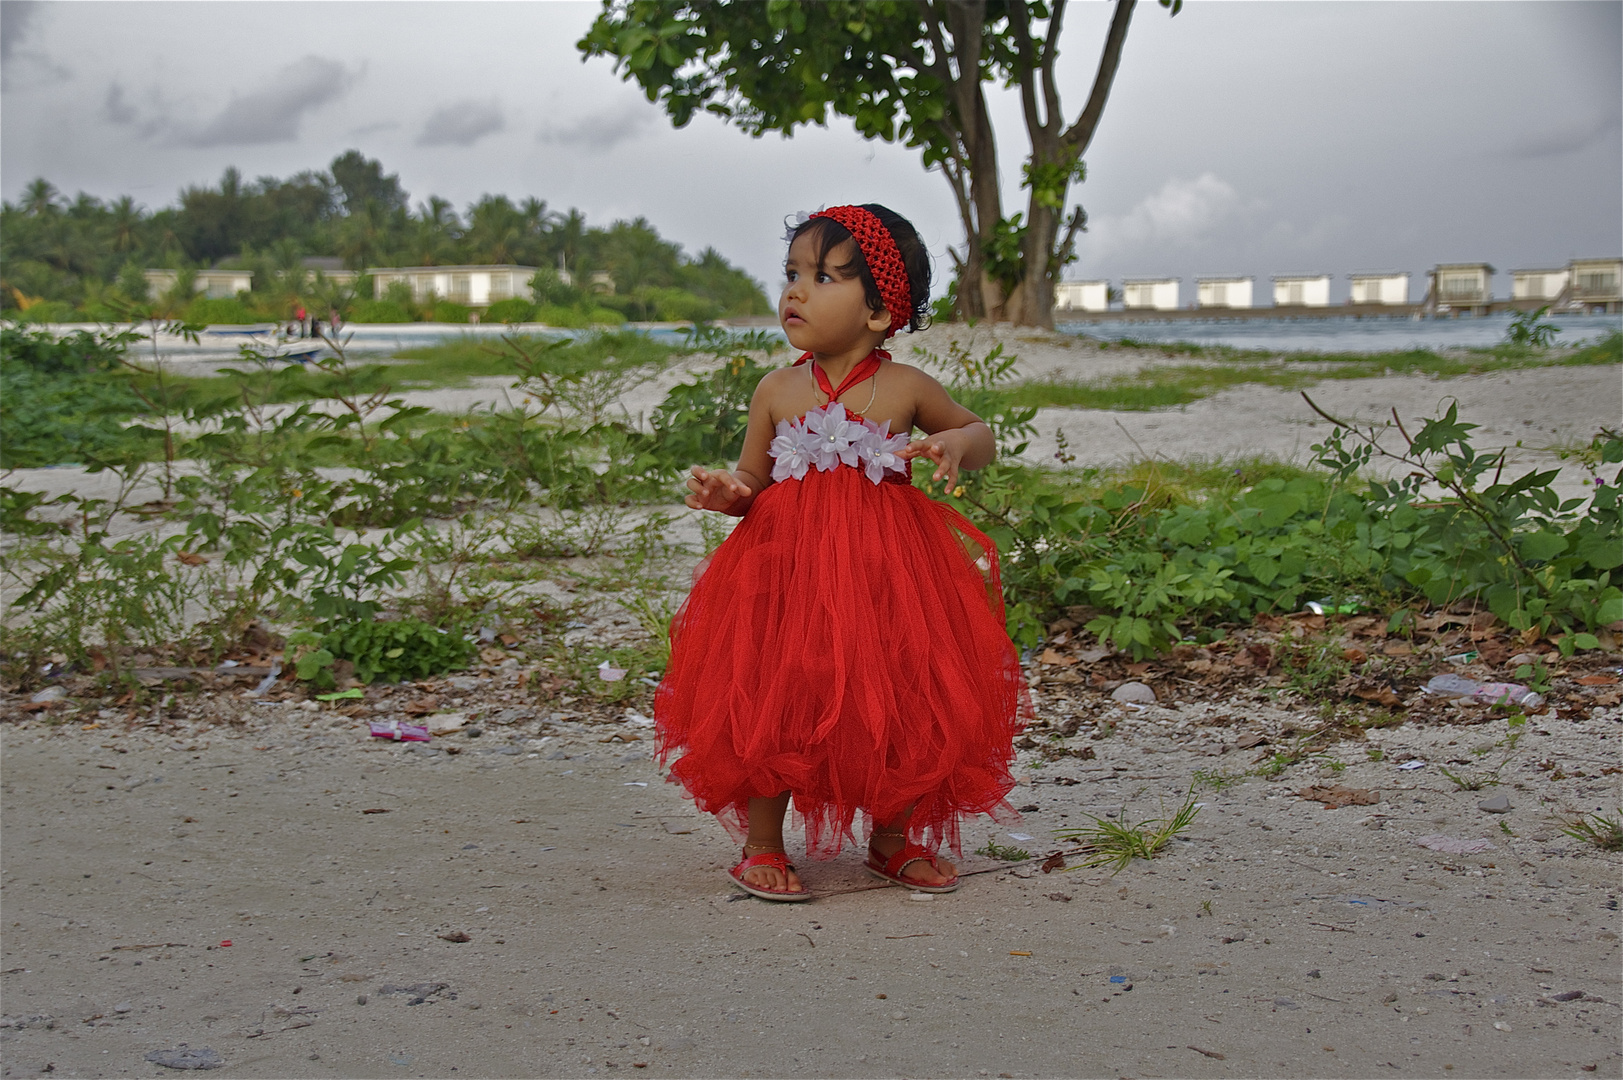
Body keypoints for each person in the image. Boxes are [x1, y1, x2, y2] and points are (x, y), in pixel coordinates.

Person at [658, 204, 1029, 902]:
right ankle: (763, 843)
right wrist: (727, 492)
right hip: (785, 569)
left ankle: (891, 840)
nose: (795, 290)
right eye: (792, 272)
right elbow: (755, 480)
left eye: (823, 277)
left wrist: (954, 445)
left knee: (897, 693)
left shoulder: (907, 388)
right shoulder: (776, 389)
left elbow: (980, 433)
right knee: (776, 697)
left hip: (887, 571)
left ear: (880, 313)